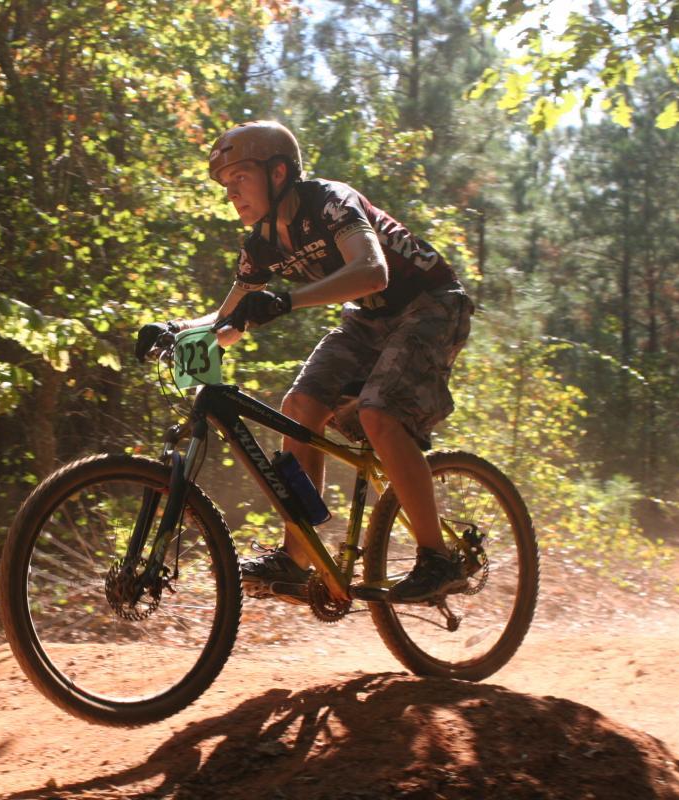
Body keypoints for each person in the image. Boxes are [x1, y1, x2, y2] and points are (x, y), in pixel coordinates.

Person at [135, 120, 473, 604]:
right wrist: (178, 330)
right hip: (369, 319)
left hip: (432, 302)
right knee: (298, 407)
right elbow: (228, 321)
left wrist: (286, 300)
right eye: (226, 186)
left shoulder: (331, 202)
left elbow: (373, 272)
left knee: (380, 414)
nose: (232, 194)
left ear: (278, 173)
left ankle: (438, 559)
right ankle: (298, 558)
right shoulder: (262, 241)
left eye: (240, 179)